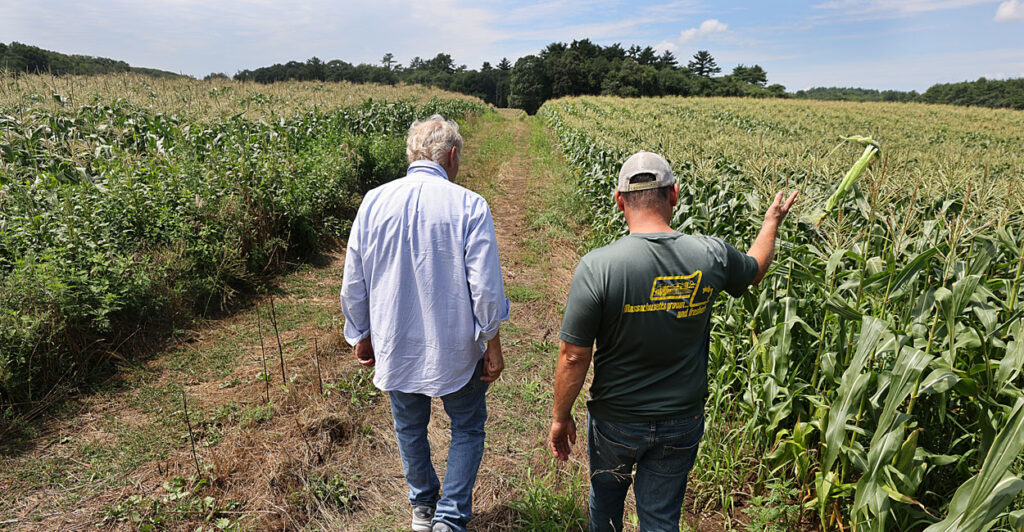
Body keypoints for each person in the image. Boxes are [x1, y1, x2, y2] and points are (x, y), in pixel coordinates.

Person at [547, 151, 797, 531]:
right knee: (661, 519)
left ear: (619, 201)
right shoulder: (710, 254)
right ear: (674, 194)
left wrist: (560, 417)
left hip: (616, 420)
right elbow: (755, 269)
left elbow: (572, 356)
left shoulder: (598, 266)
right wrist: (771, 222)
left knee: (606, 504)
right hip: (681, 420)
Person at [340, 114, 510, 532]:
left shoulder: (374, 201)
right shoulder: (469, 205)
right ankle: (450, 518)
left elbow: (354, 279)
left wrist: (360, 334)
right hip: (456, 345)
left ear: (412, 155)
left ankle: (423, 509)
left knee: (408, 425)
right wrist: (492, 342)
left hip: (394, 339)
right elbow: (485, 290)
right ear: (451, 156)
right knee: (467, 427)